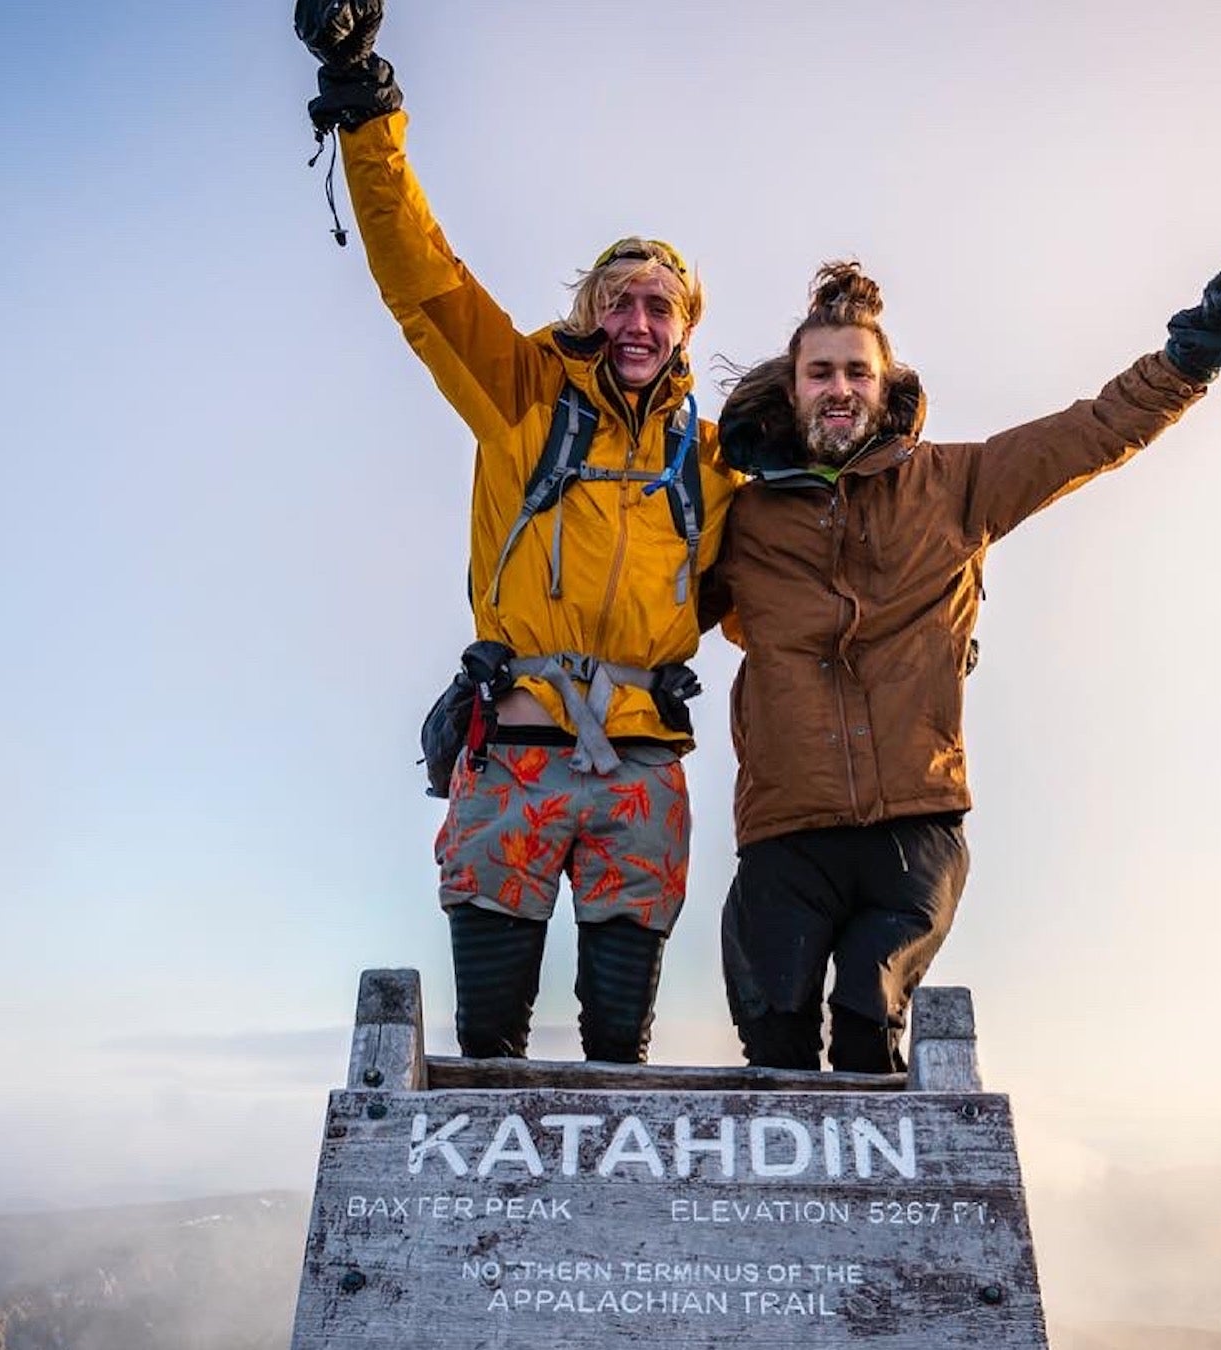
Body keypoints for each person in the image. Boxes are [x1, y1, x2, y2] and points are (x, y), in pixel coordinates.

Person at [703, 259, 1221, 1072]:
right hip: (784, 829)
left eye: (856, 371)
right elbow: (635, 592)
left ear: (885, 387)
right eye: (821, 372)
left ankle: (888, 1200)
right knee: (774, 1039)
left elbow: (1091, 431)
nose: (839, 388)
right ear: (792, 387)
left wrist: (1188, 356)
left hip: (913, 828)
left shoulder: (954, 486)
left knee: (863, 1020)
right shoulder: (736, 518)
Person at [293, 0, 737, 1064]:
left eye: (660, 306)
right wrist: (365, 100)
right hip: (517, 746)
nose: (638, 321)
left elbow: (768, 577)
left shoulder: (714, 456)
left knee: (618, 1046)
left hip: (642, 758)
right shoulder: (524, 395)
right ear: (589, 310)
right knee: (490, 1035)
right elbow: (425, 282)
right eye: (619, 300)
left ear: (686, 326)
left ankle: (607, 1221)